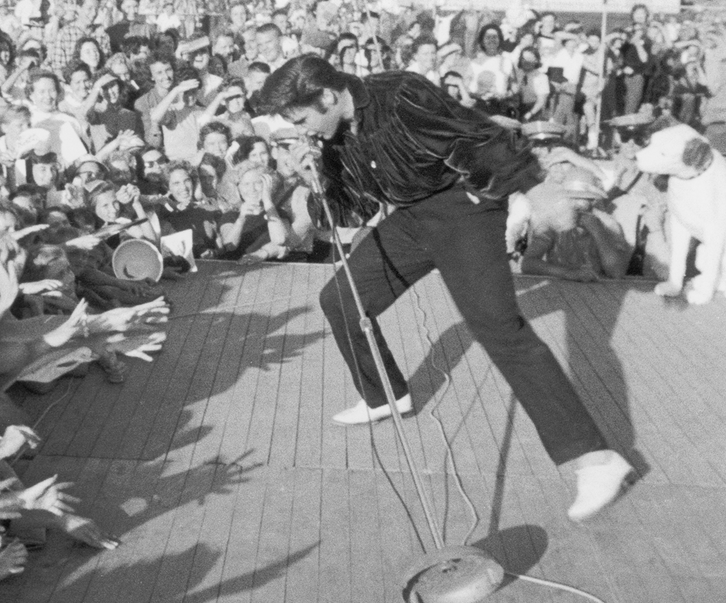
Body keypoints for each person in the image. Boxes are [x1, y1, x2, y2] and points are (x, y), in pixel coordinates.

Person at [257, 55, 632, 522]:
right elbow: (351, 208)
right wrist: (316, 177)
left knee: (499, 328)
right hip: (411, 218)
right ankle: (386, 395)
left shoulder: (400, 95)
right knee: (341, 299)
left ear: (327, 96)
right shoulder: (333, 133)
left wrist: (537, 190)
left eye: (302, 118)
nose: (304, 130)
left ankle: (597, 460)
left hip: (464, 211)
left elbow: (482, 137)